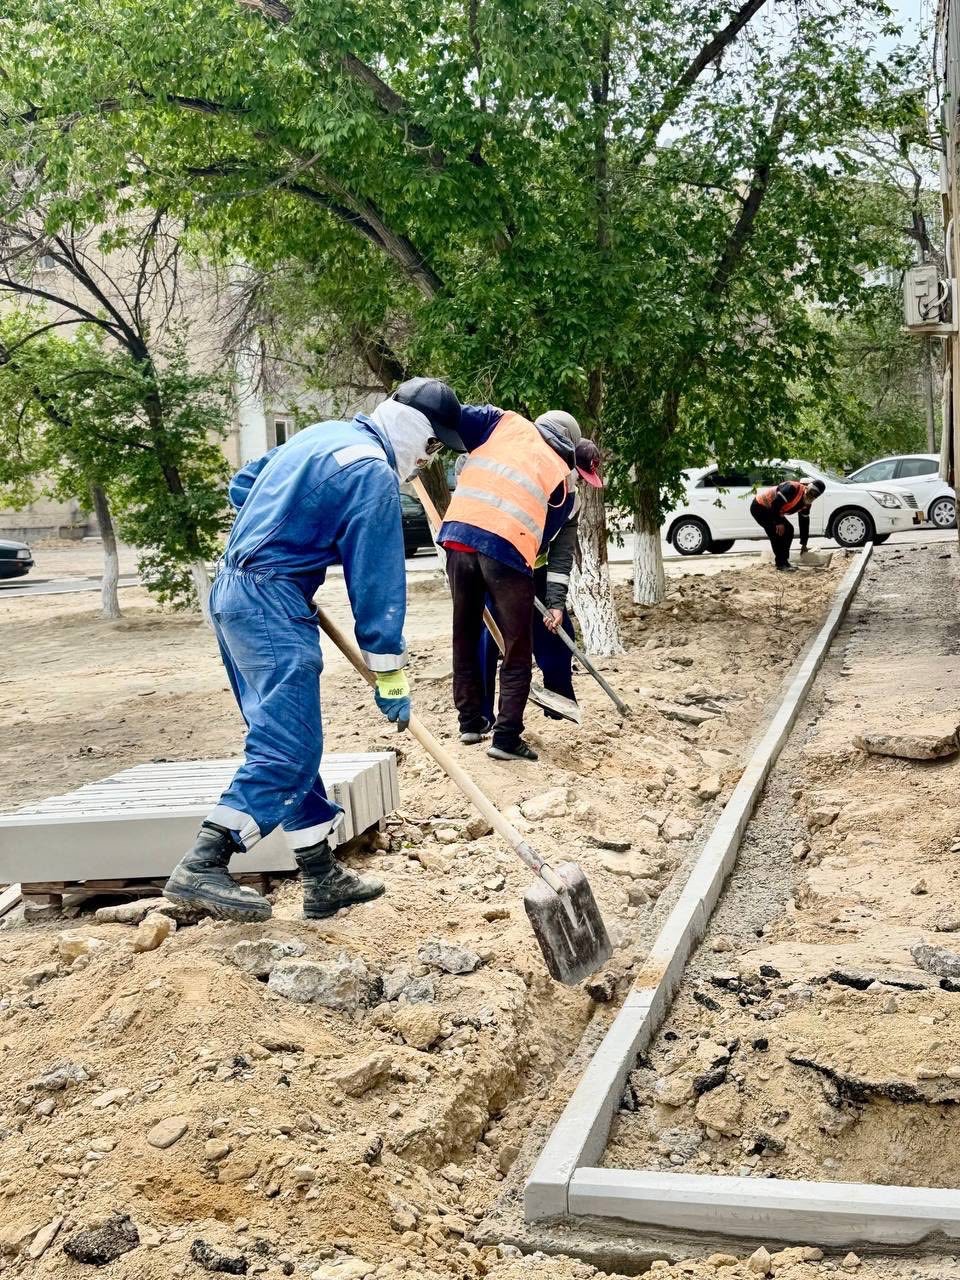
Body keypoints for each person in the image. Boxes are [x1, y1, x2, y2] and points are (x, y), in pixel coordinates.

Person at [164, 378, 464, 923]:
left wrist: (282, 533)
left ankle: (320, 874)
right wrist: (389, 673)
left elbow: (243, 484)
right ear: (413, 430)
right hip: (269, 603)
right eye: (432, 445)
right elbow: (377, 584)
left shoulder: (326, 434)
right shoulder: (372, 472)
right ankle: (204, 861)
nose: (427, 460)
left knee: (288, 733)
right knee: (289, 746)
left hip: (237, 593)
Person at [438, 404, 577, 762]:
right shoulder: (562, 476)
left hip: (458, 537)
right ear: (568, 447)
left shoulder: (504, 422)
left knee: (464, 636)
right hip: (506, 549)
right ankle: (506, 738)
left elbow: (454, 415)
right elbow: (544, 537)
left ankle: (470, 723)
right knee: (517, 647)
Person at [473, 411, 603, 727]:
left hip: (536, 573)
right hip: (495, 566)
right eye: (577, 474)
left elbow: (561, 555)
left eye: (582, 479)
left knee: (558, 633)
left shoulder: (571, 501)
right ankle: (480, 716)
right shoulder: (525, 478)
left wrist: (555, 602)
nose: (576, 482)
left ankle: (559, 709)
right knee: (489, 639)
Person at [750, 476, 825, 571]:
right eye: (812, 492)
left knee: (789, 530)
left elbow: (804, 522)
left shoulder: (807, 503)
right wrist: (778, 522)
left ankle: (784, 562)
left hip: (774, 510)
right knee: (777, 533)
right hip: (760, 507)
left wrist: (804, 544)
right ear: (807, 487)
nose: (812, 495)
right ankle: (781, 564)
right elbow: (775, 504)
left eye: (815, 495)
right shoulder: (792, 488)